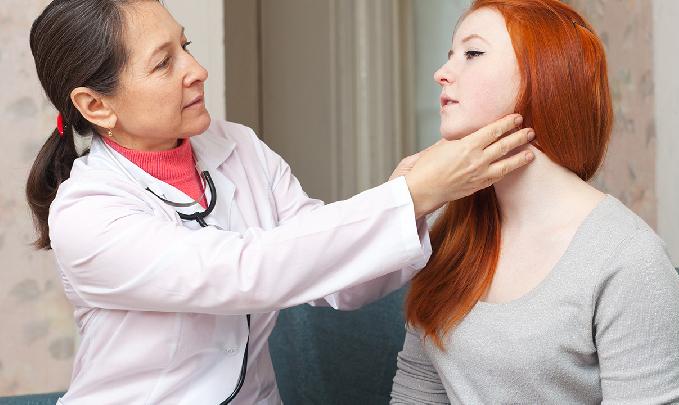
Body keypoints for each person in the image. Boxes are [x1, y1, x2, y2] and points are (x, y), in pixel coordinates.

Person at [25, 0, 535, 403]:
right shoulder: (86, 214)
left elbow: (335, 277)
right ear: (96, 105)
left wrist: (418, 202)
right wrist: (410, 194)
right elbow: (244, 271)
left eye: (186, 46)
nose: (197, 69)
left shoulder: (238, 146)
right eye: (164, 63)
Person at [390, 0, 679, 403]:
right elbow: (416, 395)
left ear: (543, 76)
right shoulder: (449, 228)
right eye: (449, 56)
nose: (442, 73)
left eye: (473, 53)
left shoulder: (628, 260)